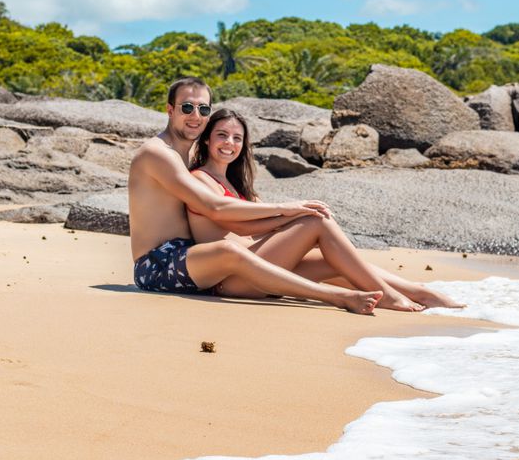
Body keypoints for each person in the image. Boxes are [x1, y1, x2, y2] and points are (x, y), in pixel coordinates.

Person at [128, 77, 382, 315]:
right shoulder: (158, 153)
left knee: (319, 259)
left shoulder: (192, 154)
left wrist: (290, 217)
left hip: (196, 260)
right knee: (227, 250)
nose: (195, 116)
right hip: (156, 264)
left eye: (203, 110)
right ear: (170, 110)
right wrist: (285, 208)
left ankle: (409, 292)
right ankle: (335, 297)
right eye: (187, 107)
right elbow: (214, 206)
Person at [187, 109, 464, 311]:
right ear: (207, 141)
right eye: (222, 135)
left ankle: (422, 293)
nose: (230, 144)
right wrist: (293, 212)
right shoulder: (200, 179)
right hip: (232, 278)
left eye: (237, 138)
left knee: (337, 263)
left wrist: (290, 215)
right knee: (315, 222)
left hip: (261, 269)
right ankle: (390, 297)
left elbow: (265, 223)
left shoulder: (238, 186)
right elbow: (238, 223)